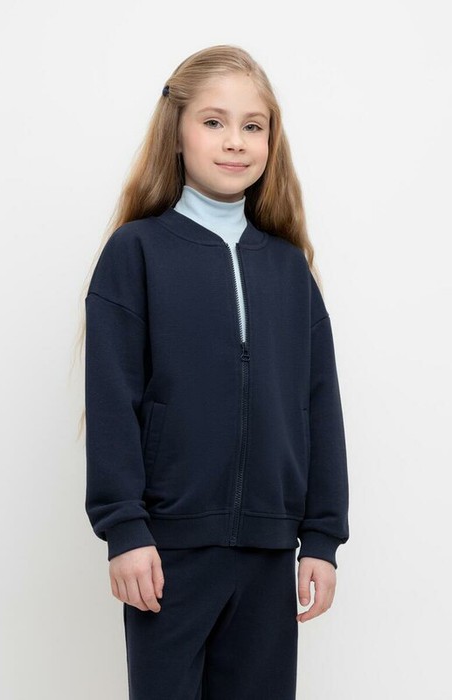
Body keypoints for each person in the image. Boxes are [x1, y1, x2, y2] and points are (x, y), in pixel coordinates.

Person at [82, 44, 350, 700]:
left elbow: (319, 404)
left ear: (270, 141)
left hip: (269, 552)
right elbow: (113, 397)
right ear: (176, 132)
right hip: (167, 552)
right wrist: (125, 528)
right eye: (213, 121)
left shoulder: (289, 268)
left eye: (253, 126)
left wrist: (321, 537)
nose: (235, 141)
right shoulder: (136, 252)